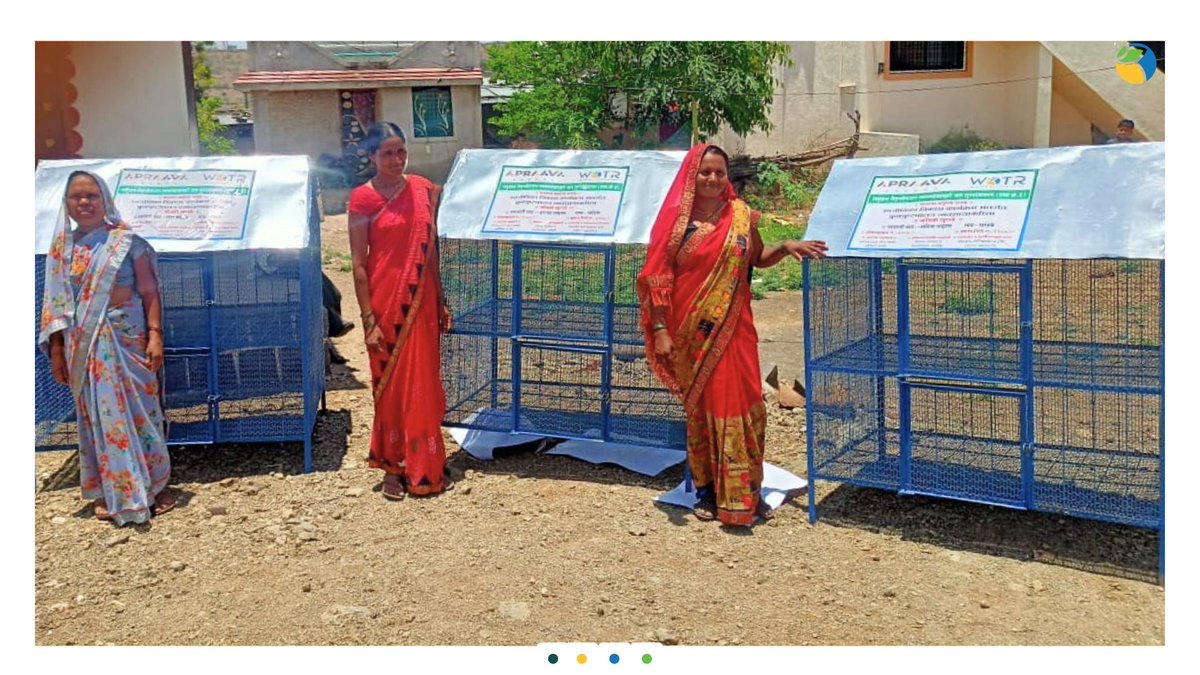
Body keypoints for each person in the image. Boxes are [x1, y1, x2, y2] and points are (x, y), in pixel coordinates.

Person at [637, 144, 827, 526]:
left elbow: (756, 257)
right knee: (703, 410)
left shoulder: (741, 216)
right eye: (704, 172)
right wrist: (659, 330)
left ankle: (746, 491)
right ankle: (707, 491)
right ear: (692, 177)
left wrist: (786, 246)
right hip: (691, 333)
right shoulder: (675, 223)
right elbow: (655, 279)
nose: (711, 179)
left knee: (742, 403)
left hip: (736, 329)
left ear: (727, 176)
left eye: (719, 173)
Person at [38, 170, 175, 525]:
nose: (84, 203)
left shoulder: (128, 242)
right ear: (66, 205)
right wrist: (56, 350)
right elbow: (56, 305)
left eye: (91, 196)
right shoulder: (62, 250)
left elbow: (149, 291)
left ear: (105, 200)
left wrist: (156, 334)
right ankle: (109, 490)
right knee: (97, 417)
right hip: (83, 347)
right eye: (76, 197)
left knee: (143, 410)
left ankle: (154, 487)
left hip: (129, 340)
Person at [347, 122, 453, 500]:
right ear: (372, 156)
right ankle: (393, 465)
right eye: (387, 153)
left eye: (400, 151)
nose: (396, 159)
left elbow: (431, 250)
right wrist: (368, 320)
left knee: (423, 383)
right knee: (389, 389)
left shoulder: (423, 190)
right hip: (385, 305)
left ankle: (426, 463)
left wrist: (440, 300)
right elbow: (359, 264)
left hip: (421, 305)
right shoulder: (362, 199)